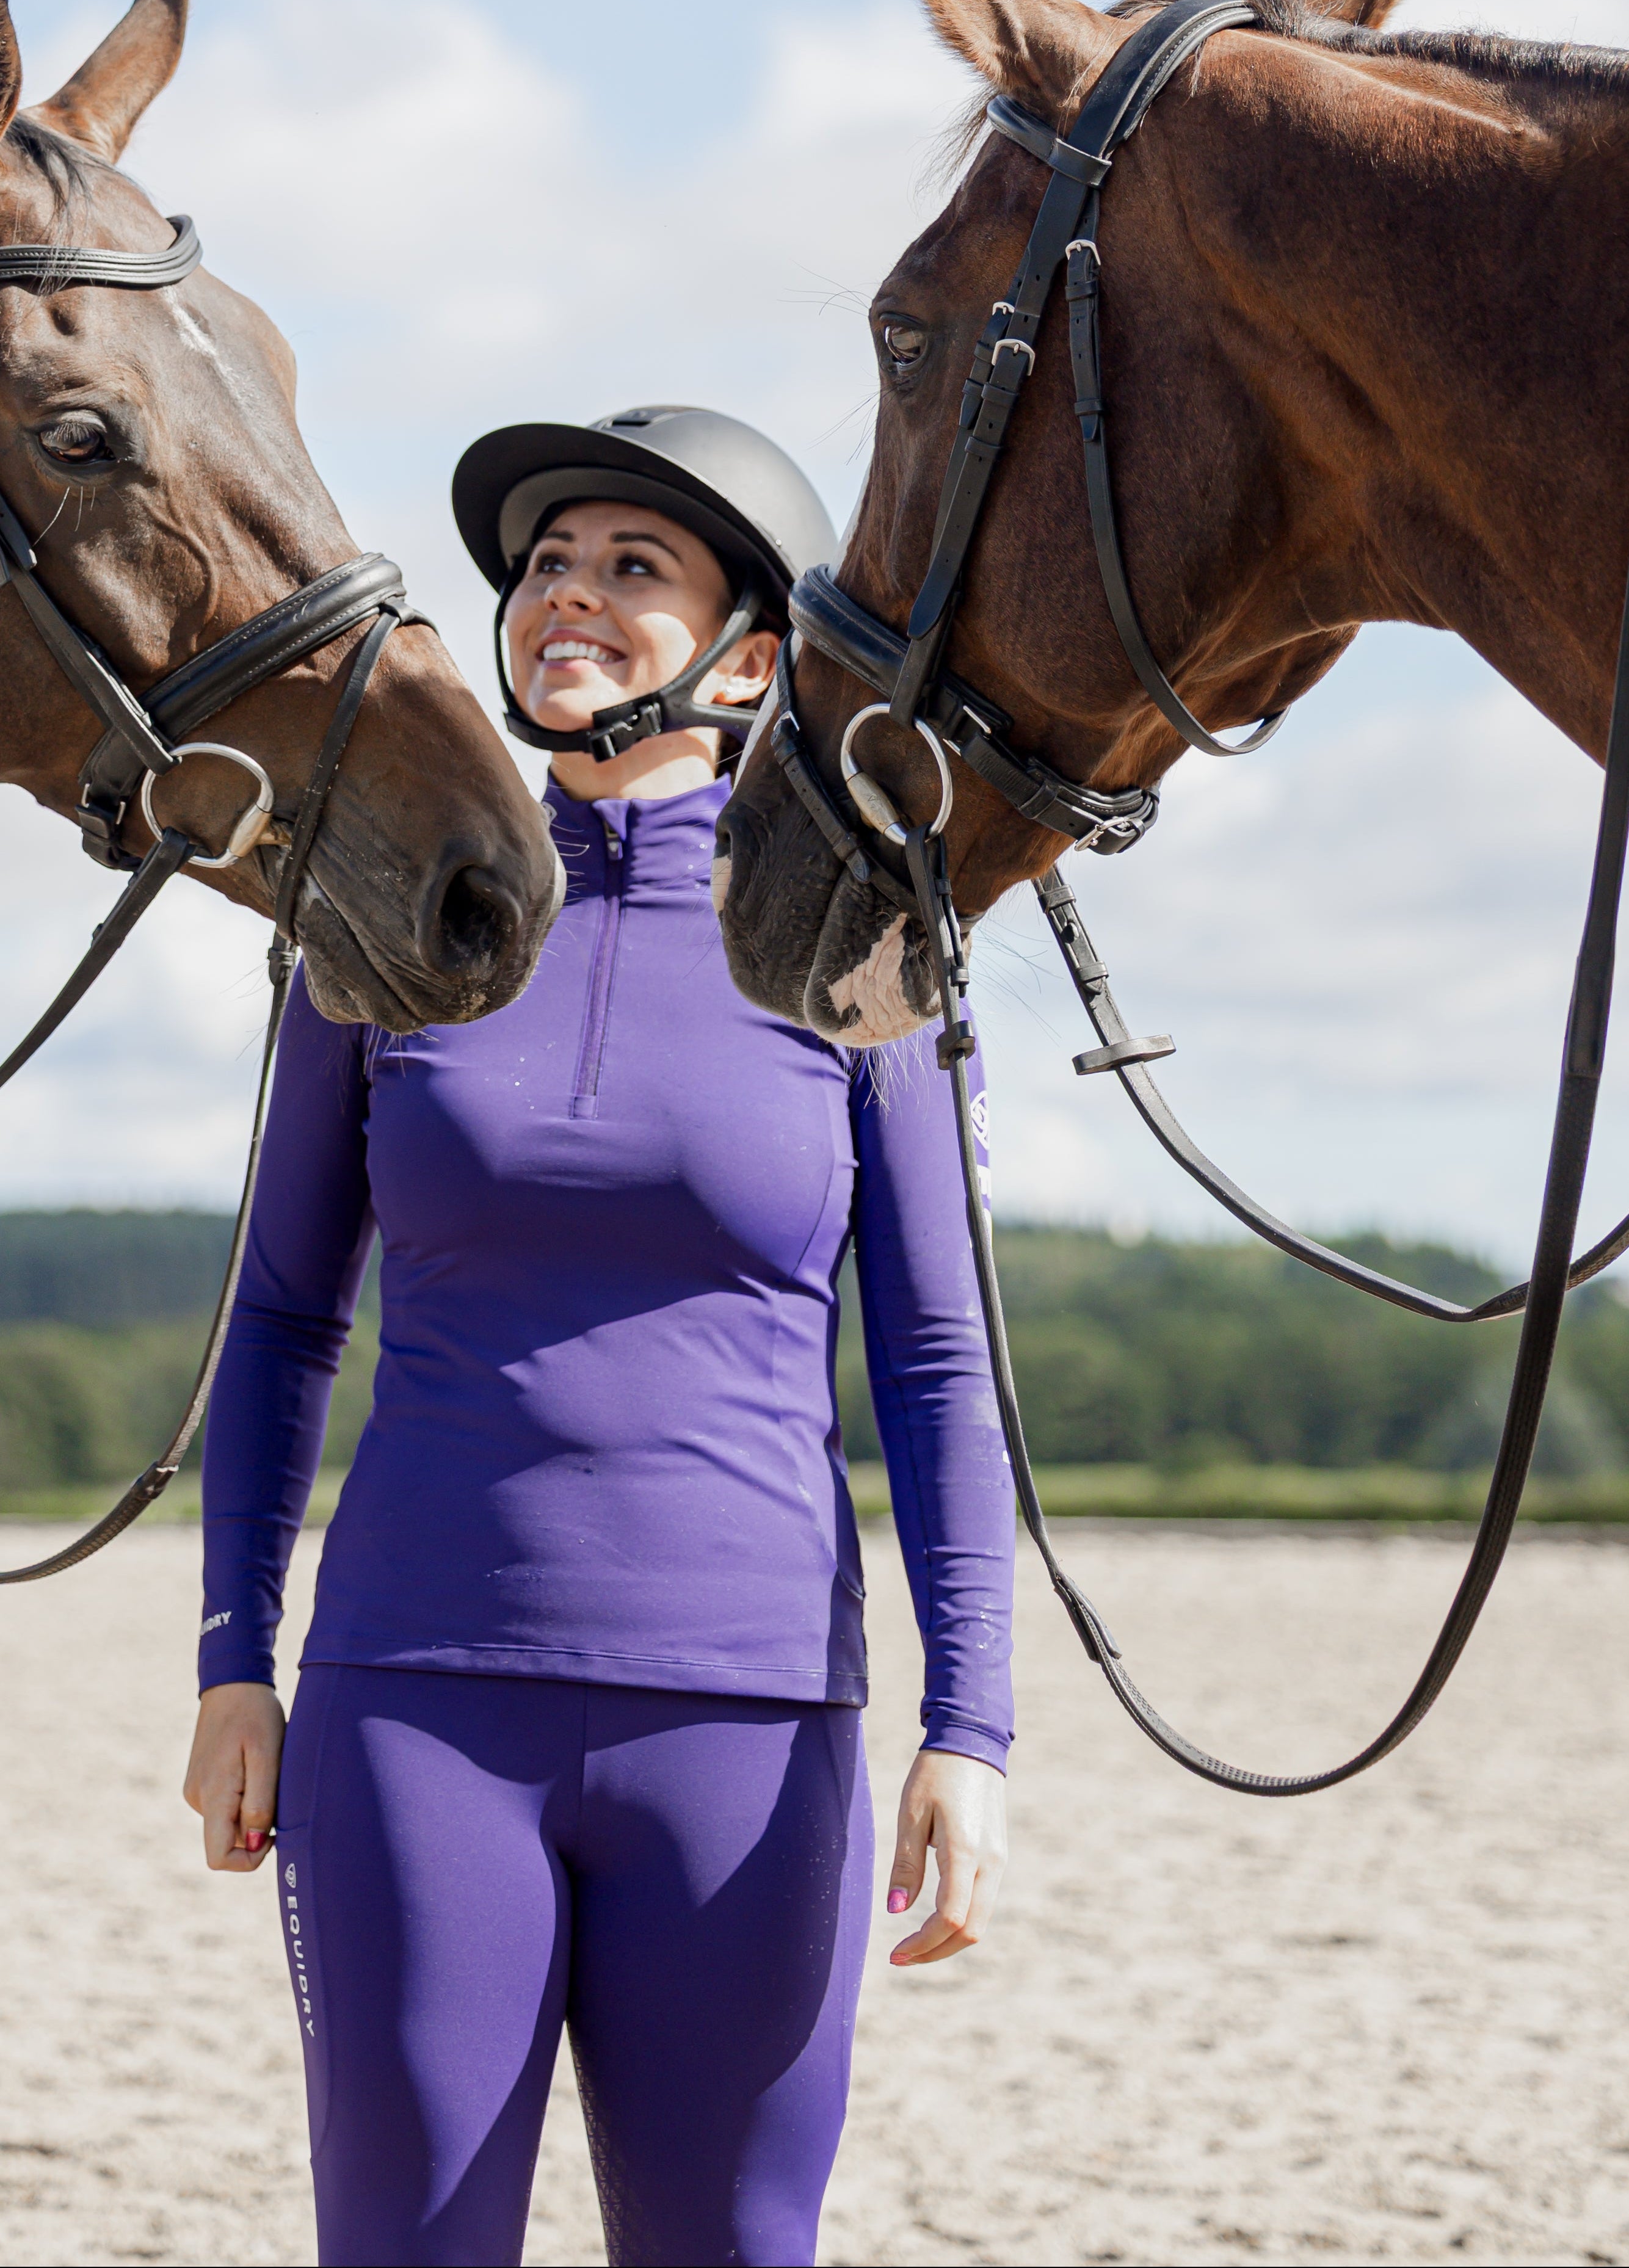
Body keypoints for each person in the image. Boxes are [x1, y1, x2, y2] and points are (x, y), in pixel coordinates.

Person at [182, 405, 1014, 2268]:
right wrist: (238, 1652)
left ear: (757, 650)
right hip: (416, 1716)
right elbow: (285, 1309)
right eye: (548, 562)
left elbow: (942, 1359)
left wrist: (976, 1723)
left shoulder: (863, 941)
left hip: (752, 1728)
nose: (568, 593)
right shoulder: (393, 911)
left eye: (634, 566)